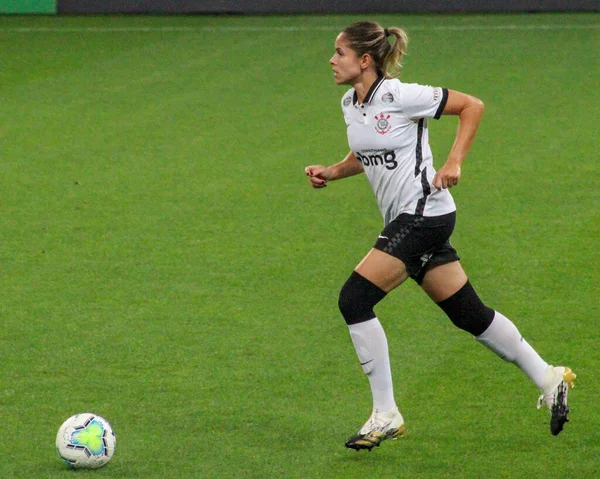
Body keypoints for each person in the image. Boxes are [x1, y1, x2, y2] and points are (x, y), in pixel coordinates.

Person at [304, 21, 576, 451]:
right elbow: (368, 151)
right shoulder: (349, 102)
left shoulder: (400, 95)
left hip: (424, 215)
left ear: (365, 60)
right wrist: (334, 171)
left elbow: (472, 105)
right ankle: (549, 376)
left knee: (354, 299)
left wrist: (453, 162)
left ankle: (386, 414)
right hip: (412, 219)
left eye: (339, 52)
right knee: (469, 314)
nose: (331, 60)